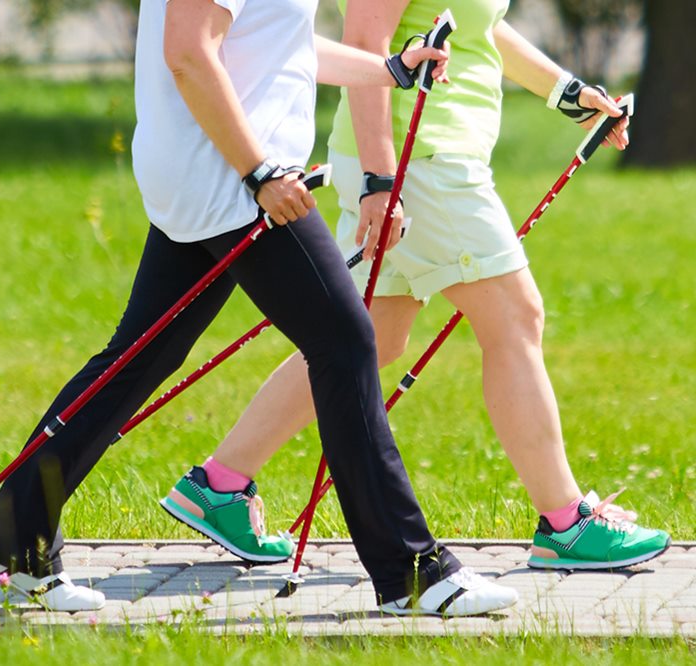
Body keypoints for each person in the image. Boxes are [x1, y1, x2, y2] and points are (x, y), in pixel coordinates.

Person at [0, 0, 519, 615]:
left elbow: (279, 45)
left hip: (209, 177)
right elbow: (187, 51)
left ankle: (14, 539)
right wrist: (258, 173)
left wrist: (387, 69)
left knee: (142, 356)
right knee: (344, 342)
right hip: (236, 182)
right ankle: (412, 570)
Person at [162, 0, 671, 571]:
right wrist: (381, 180)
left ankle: (219, 485)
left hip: (431, 157)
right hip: (420, 161)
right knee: (515, 318)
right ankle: (566, 522)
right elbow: (365, 37)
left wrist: (567, 92)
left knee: (368, 335)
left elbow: (480, 24)